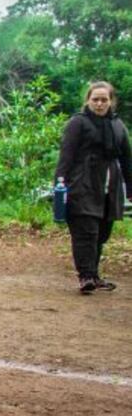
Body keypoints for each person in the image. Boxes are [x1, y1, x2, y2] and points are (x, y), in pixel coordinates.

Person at [54, 81, 132, 294]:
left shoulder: (118, 125)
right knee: (85, 232)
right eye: (95, 99)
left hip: (110, 187)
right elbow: (66, 156)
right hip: (82, 184)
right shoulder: (77, 123)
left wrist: (130, 188)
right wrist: (59, 186)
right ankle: (86, 276)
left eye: (104, 100)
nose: (99, 104)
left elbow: (126, 159)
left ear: (111, 101)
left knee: (102, 234)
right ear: (88, 100)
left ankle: (94, 275)